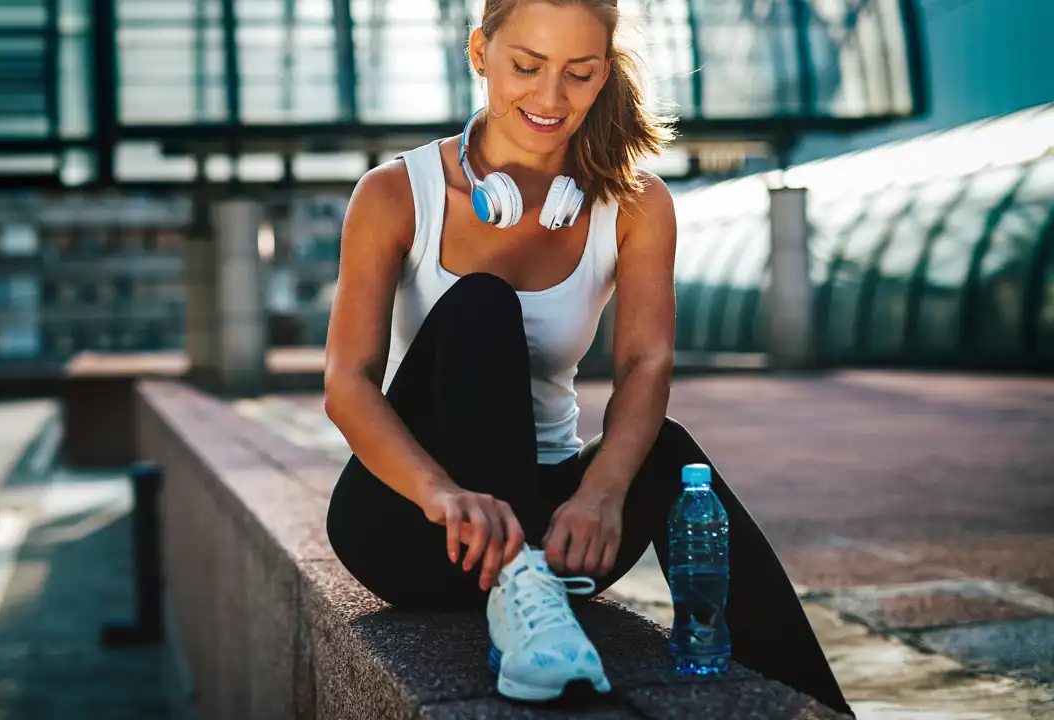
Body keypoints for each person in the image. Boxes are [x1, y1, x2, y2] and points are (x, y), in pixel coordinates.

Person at [321, 0, 852, 714]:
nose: (549, 98)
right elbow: (347, 383)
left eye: (578, 73)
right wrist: (444, 495)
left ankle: (813, 703)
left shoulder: (634, 203)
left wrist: (600, 492)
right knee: (482, 302)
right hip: (416, 523)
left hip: (560, 532)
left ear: (605, 74)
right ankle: (517, 588)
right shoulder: (394, 195)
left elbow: (645, 366)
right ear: (480, 53)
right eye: (526, 66)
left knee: (669, 453)